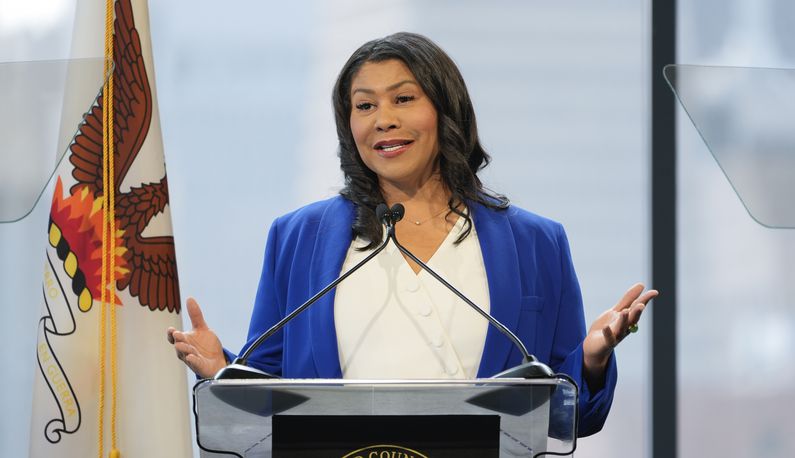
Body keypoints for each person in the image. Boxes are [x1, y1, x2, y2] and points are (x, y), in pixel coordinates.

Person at [166, 32, 657, 437]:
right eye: (364, 106)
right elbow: (270, 390)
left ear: (445, 110)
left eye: (403, 99)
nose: (384, 120)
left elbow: (570, 415)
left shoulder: (535, 243)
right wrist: (223, 371)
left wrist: (590, 362)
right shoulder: (299, 238)